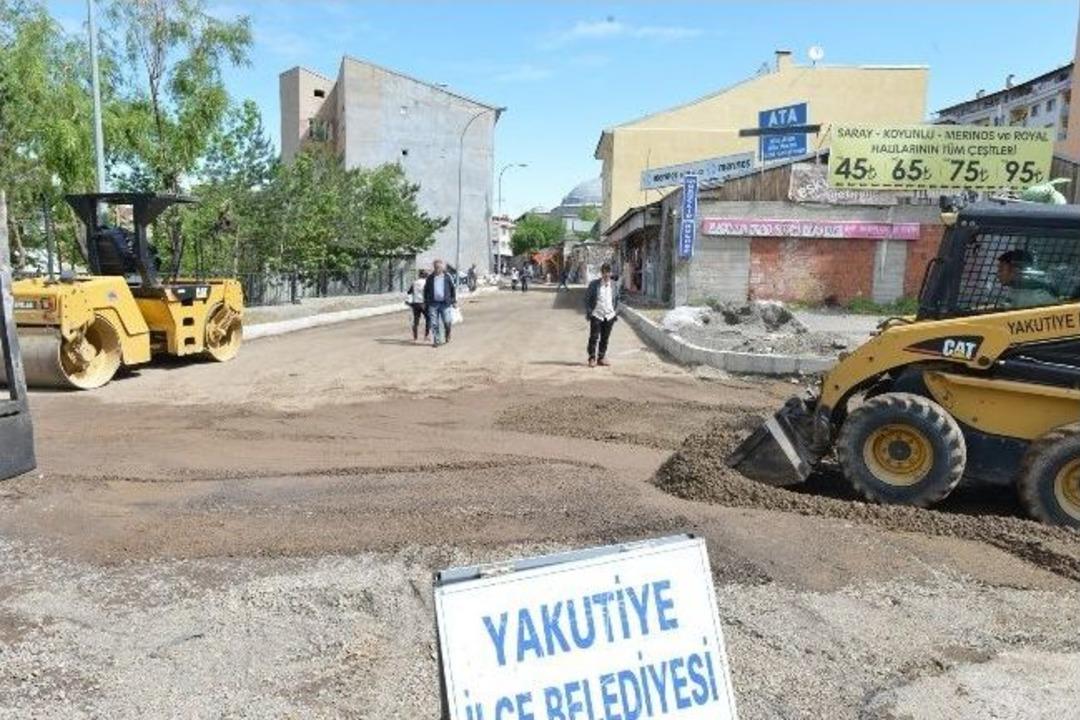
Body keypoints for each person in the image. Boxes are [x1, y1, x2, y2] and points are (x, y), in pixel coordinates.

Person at [584, 262, 620, 367]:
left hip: (609, 316)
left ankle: (601, 357)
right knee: (594, 337)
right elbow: (587, 299)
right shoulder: (594, 284)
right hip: (597, 314)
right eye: (604, 272)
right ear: (601, 273)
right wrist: (590, 312)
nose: (606, 275)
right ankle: (591, 358)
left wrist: (615, 312)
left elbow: (617, 299)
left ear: (611, 273)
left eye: (608, 272)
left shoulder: (614, 285)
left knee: (605, 338)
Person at [424, 259, 457, 347]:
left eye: (439, 267)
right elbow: (426, 290)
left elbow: (452, 289)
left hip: (445, 303)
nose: (437, 269)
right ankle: (436, 340)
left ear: (442, 268)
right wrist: (426, 302)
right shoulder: (430, 278)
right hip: (433, 303)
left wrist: (453, 301)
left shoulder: (447, 277)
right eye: (435, 267)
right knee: (434, 323)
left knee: (447, 321)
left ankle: (447, 334)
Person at [407, 269, 429, 342]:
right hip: (424, 303)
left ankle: (415, 338)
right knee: (428, 319)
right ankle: (426, 336)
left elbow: (409, 292)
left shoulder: (414, 283)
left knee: (416, 321)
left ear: (419, 275)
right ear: (426, 275)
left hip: (415, 304)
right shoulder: (427, 282)